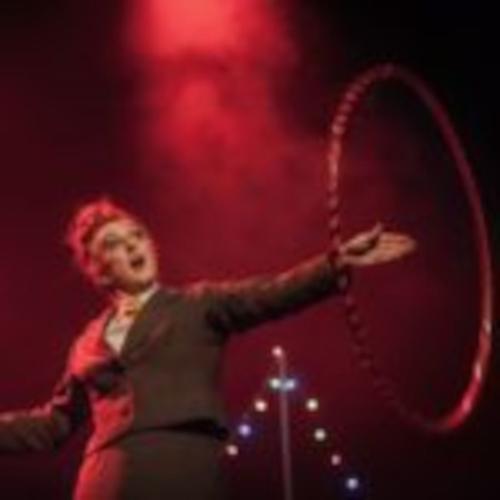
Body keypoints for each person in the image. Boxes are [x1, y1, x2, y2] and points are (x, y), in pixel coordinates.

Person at [0, 198, 415, 499]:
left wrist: (335, 263)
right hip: (103, 480)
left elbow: (272, 293)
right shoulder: (86, 342)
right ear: (97, 270)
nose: (131, 245)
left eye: (137, 235)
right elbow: (55, 424)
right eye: (112, 243)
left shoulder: (197, 304)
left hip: (184, 468)